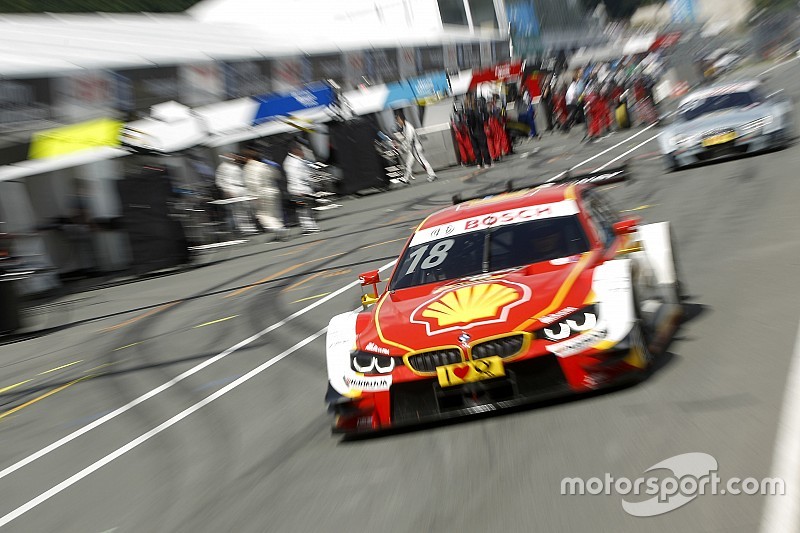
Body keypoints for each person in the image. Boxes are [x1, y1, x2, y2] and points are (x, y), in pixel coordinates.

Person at [243, 148, 286, 238]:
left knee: (262, 215)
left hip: (261, 193)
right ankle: (279, 231)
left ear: (249, 157)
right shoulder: (263, 165)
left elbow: (253, 183)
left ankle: (278, 228)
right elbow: (276, 175)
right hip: (272, 190)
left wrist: (255, 196)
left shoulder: (249, 168)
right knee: (274, 213)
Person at [283, 143, 320, 234]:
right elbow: (295, 176)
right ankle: (310, 228)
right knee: (304, 209)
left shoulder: (295, 160)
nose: (303, 152)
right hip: (299, 189)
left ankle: (309, 227)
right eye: (301, 150)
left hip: (301, 188)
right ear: (295, 151)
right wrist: (300, 190)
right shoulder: (293, 162)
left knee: (304, 209)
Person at [215, 153, 256, 235]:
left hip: (242, 188)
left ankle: (251, 227)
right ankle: (245, 229)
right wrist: (226, 189)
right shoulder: (222, 167)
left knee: (247, 209)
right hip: (232, 188)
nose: (232, 158)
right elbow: (219, 181)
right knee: (238, 211)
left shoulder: (236, 165)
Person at [396, 112, 437, 183]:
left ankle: (432, 175)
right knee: (409, 163)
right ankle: (405, 178)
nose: (398, 122)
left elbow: (408, 140)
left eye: (398, 120)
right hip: (413, 147)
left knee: (422, 162)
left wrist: (402, 148)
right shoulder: (405, 127)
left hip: (415, 147)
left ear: (402, 119)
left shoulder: (408, 128)